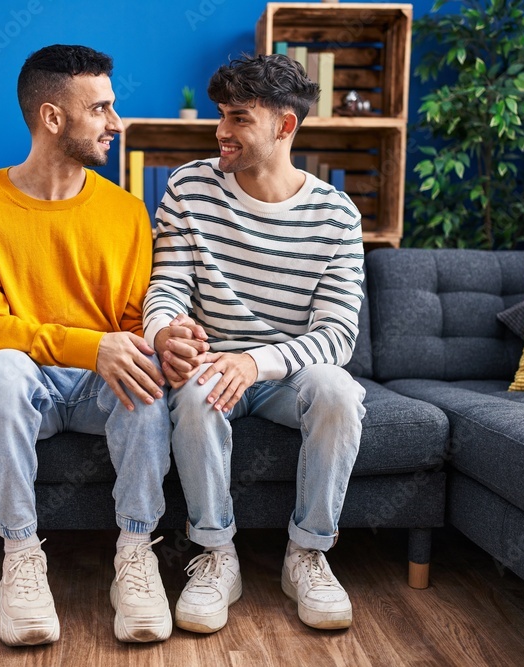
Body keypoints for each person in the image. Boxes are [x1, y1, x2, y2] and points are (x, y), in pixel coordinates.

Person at [0, 44, 173, 647]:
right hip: (30, 389)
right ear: (53, 117)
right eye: (100, 109)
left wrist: (161, 338)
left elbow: (130, 322)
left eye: (112, 108)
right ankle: (21, 557)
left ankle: (135, 552)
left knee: (145, 365)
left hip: (102, 392)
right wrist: (91, 346)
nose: (115, 123)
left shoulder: (126, 212)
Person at [143, 53, 367, 634]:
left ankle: (308, 554)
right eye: (221, 116)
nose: (221, 132)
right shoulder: (189, 187)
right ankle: (216, 554)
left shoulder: (337, 214)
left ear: (285, 126)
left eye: (239, 118)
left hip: (284, 371)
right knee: (193, 395)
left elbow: (339, 333)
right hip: (213, 363)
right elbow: (166, 285)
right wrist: (165, 330)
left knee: (338, 391)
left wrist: (256, 361)